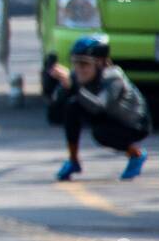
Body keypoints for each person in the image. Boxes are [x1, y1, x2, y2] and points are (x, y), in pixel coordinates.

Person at [44, 34, 150, 181]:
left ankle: (136, 154)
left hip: (134, 124)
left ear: (100, 63)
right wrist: (53, 88)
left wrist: (73, 87)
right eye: (75, 63)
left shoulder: (114, 78)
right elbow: (53, 116)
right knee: (72, 106)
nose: (79, 69)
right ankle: (73, 160)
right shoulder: (79, 76)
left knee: (100, 133)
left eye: (84, 64)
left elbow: (99, 106)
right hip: (109, 117)